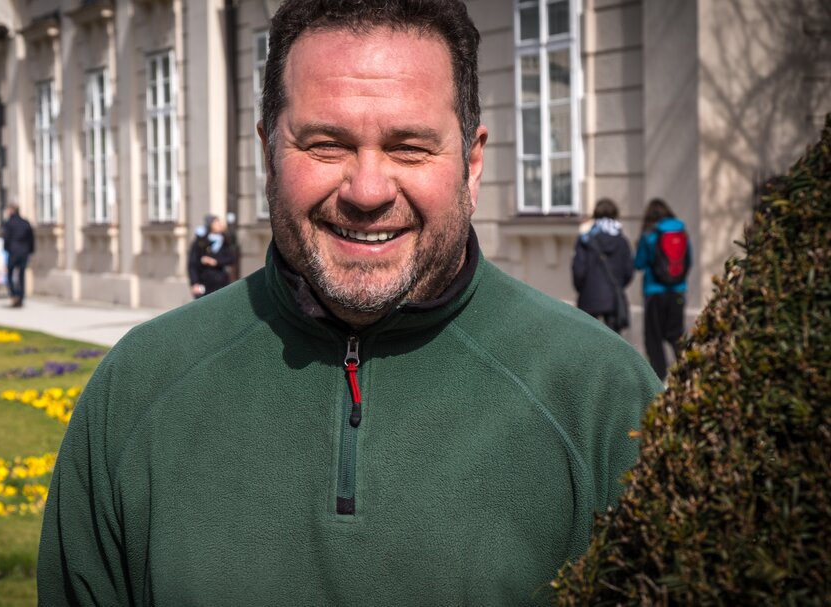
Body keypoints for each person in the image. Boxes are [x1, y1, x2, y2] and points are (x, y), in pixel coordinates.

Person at [37, 1, 662, 604]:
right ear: (267, 154)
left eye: (409, 147)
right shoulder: (139, 387)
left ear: (471, 165)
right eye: (326, 144)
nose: (367, 191)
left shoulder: (601, 399)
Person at [634, 197, 691, 380]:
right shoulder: (681, 232)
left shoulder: (649, 235)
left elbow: (639, 263)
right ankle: (688, 373)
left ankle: (659, 379)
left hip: (654, 293)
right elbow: (688, 261)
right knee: (677, 335)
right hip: (678, 291)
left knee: (654, 339)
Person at [571, 198, 634, 333]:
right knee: (612, 341)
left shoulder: (585, 239)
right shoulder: (622, 241)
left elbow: (578, 270)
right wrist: (618, 285)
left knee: (588, 340)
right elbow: (629, 270)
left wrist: (582, 289)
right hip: (613, 300)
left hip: (589, 298)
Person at [187, 213, 238, 298]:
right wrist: (194, 282)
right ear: (210, 225)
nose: (219, 225)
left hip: (222, 282)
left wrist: (216, 262)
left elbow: (231, 258)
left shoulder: (224, 240)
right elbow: (193, 264)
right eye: (216, 222)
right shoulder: (201, 242)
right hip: (205, 282)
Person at [2, 203, 34, 308]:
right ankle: (21, 298)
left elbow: (6, 239)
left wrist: (6, 249)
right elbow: (31, 239)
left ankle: (14, 294)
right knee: (21, 275)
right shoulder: (25, 223)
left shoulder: (9, 223)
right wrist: (30, 251)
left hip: (13, 252)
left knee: (9, 274)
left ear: (12, 211)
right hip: (24, 252)